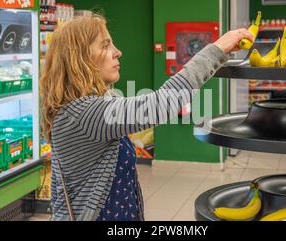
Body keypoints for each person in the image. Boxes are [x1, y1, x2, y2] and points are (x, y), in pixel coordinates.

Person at [40, 12, 253, 221]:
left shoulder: (91, 104)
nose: (118, 52)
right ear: (80, 59)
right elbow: (162, 103)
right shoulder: (83, 114)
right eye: (105, 45)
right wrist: (216, 49)